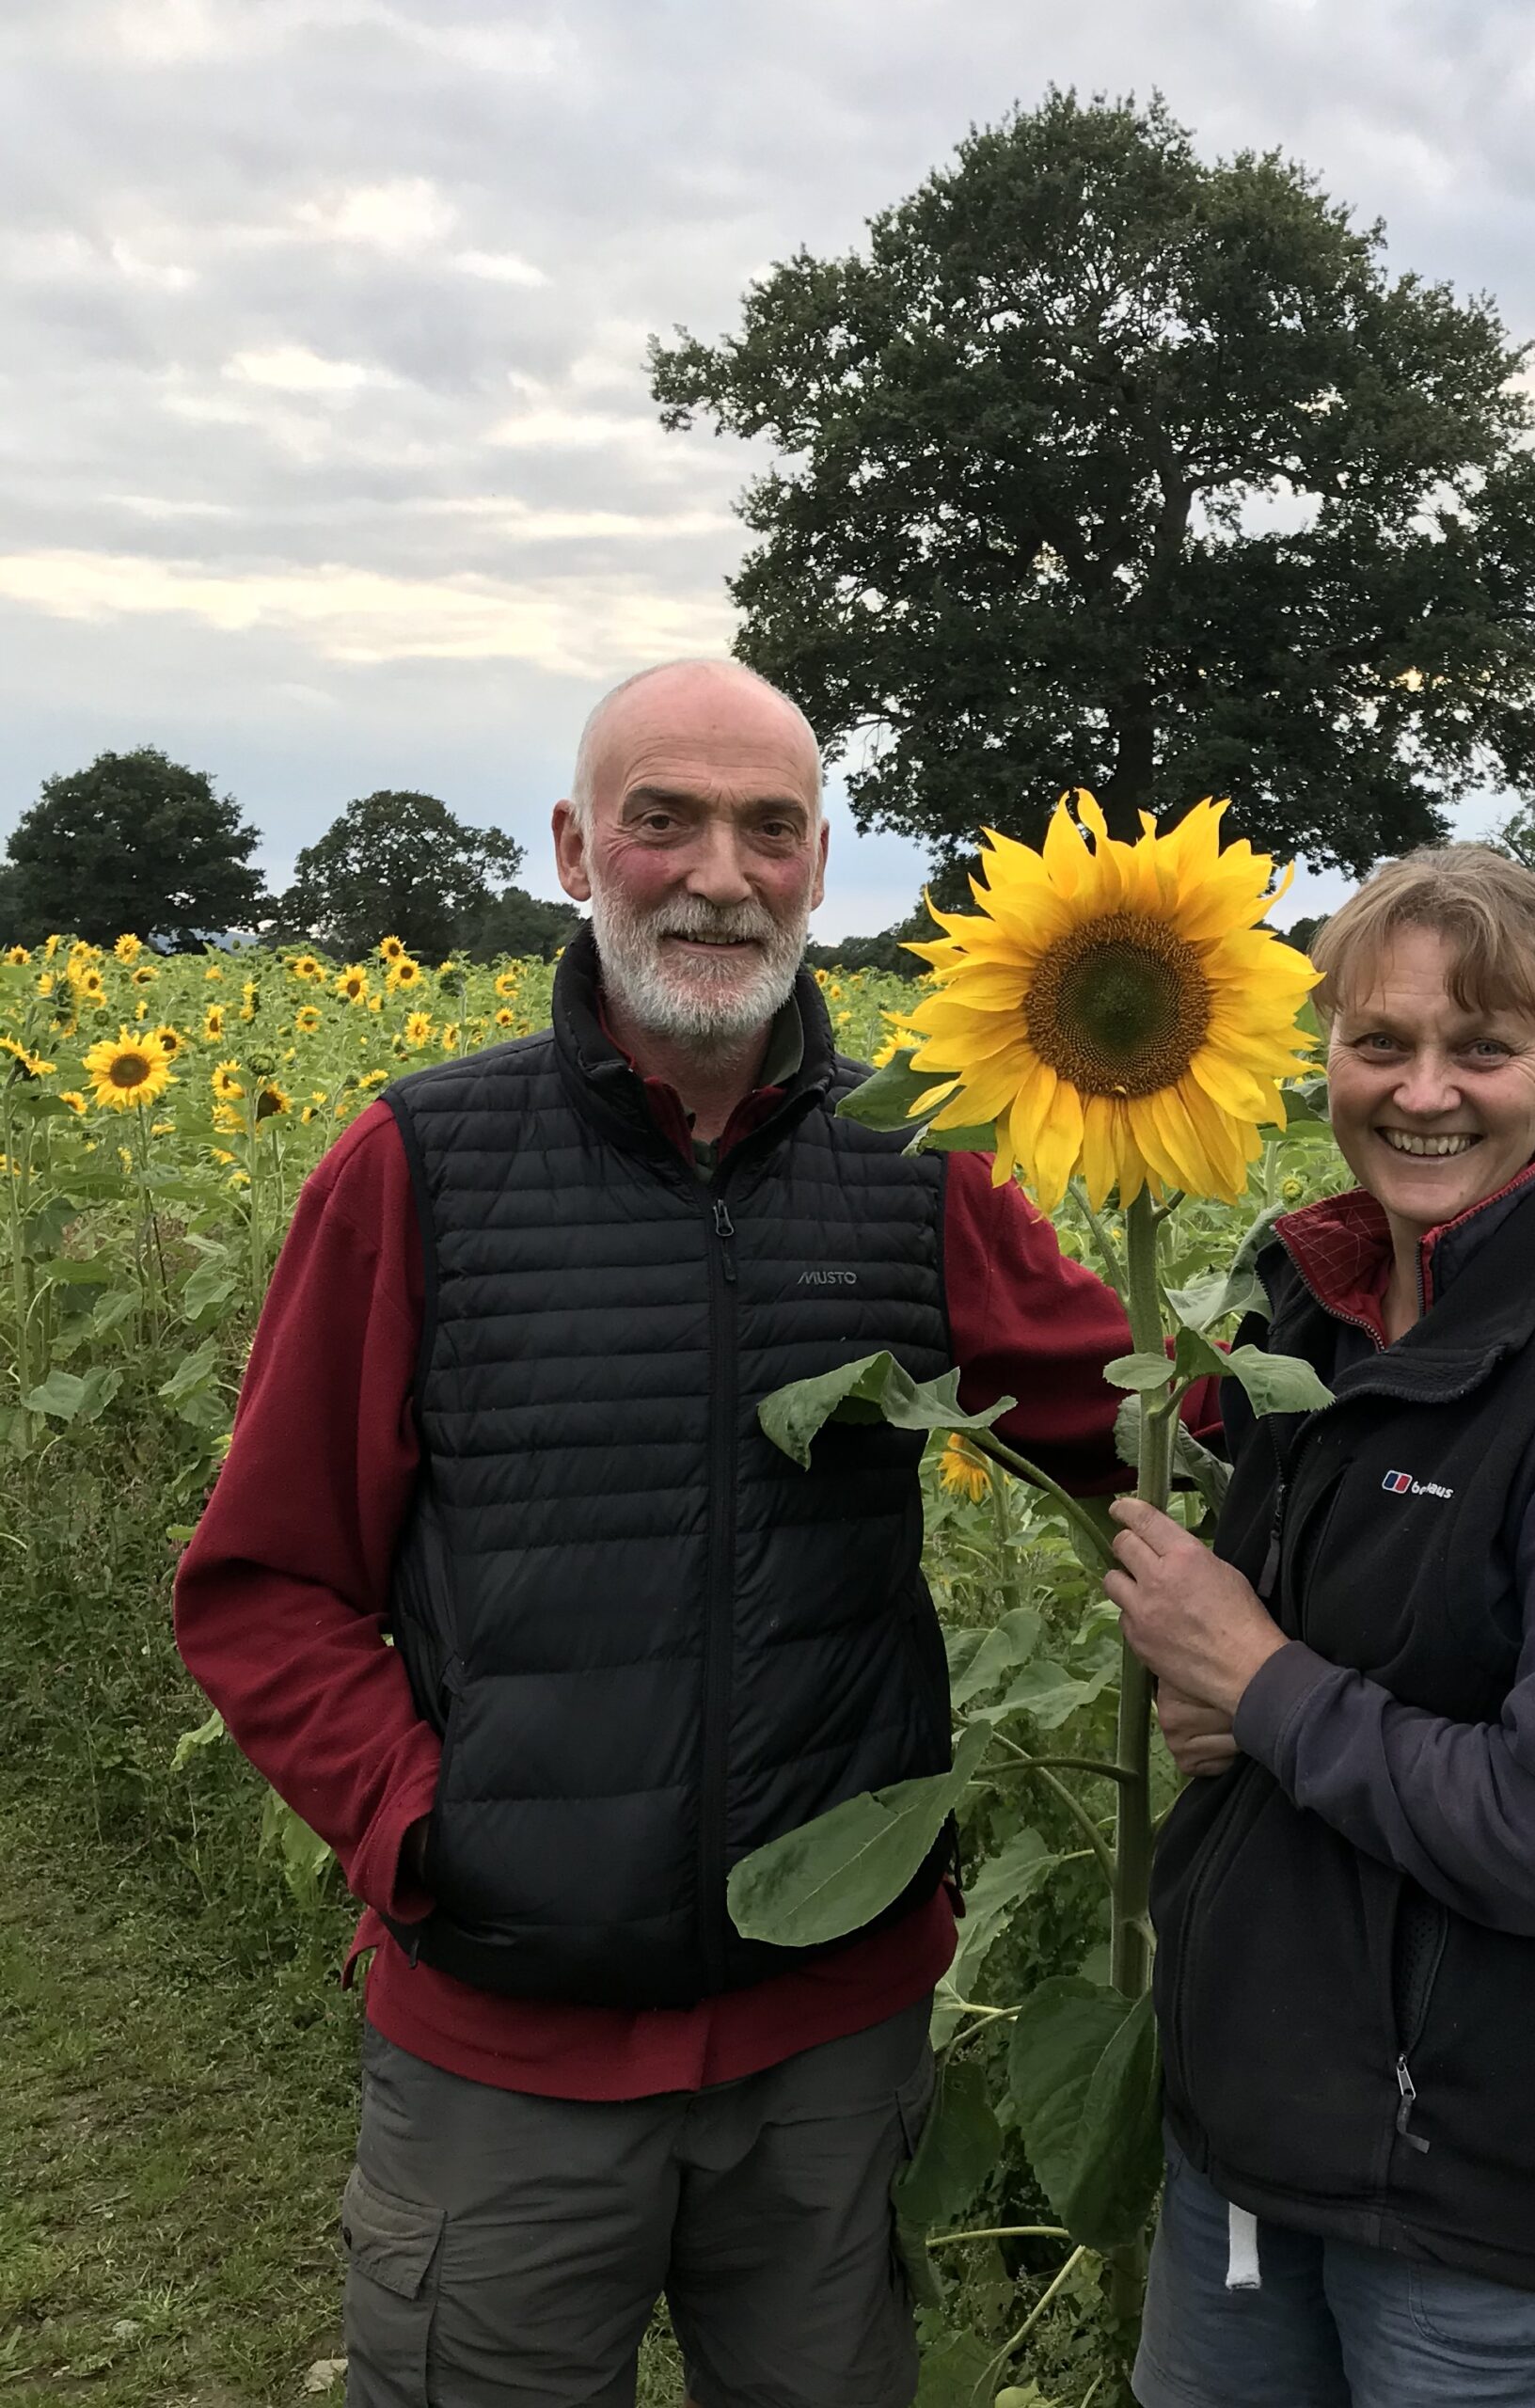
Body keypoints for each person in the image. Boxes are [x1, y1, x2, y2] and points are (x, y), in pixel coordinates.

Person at [175, 658, 1184, 2408]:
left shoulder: (916, 1162)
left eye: (770, 828)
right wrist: (432, 1835)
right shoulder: (421, 1163)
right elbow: (267, 1585)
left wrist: (1429, 1324)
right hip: (509, 2042)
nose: (720, 873)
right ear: (577, 848)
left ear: (817, 865)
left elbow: (1142, 1433)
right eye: (666, 820)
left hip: (826, 2040)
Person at [1104, 846, 1535, 2406]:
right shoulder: (1300, 1323)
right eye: (1380, 1042)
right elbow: (1250, 1697)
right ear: (1322, 1051)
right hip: (1250, 2160)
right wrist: (1240, 1694)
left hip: (1494, 2210)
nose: (1425, 1091)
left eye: (1480, 1048)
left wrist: (1262, 1686)